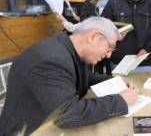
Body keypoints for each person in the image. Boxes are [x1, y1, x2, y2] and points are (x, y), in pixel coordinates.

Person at [0, 17, 139, 135]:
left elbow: (84, 76)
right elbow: (68, 115)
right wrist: (121, 101)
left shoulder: (67, 49)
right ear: (94, 37)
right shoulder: (51, 59)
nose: (109, 55)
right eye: (110, 47)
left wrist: (114, 80)